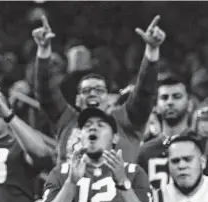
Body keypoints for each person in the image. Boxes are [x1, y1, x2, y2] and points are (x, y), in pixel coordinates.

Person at [33, 15, 165, 164]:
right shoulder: (67, 120)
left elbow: (144, 94)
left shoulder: (124, 120)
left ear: (109, 98)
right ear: (77, 99)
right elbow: (45, 94)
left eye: (99, 90)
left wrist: (152, 52)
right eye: (86, 90)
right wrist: (43, 52)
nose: (93, 93)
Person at [137, 76, 208, 190]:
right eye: (164, 98)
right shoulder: (144, 152)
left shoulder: (204, 146)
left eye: (177, 97)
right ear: (156, 107)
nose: (170, 102)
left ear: (190, 105)